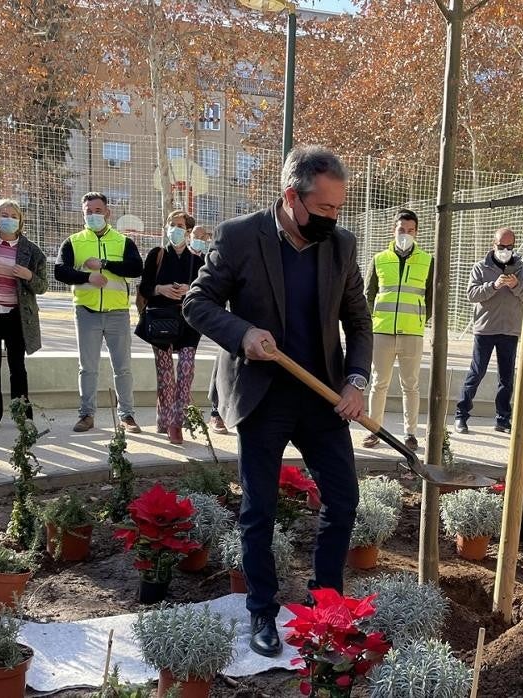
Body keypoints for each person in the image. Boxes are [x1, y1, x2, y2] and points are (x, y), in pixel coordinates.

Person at [184, 145, 372, 659]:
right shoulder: (240, 237)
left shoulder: (341, 245)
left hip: (323, 396)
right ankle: (262, 611)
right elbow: (196, 303)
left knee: (343, 499)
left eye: (339, 209)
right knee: (259, 509)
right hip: (262, 396)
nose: (334, 219)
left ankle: (326, 607)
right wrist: (241, 333)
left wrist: (356, 381)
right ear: (292, 196)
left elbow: (357, 320)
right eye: (325, 208)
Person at [54, 192, 143, 433]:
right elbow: (60, 271)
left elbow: (136, 268)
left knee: (123, 367)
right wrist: (87, 277)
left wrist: (104, 264)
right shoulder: (74, 241)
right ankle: (86, 415)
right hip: (86, 311)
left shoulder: (123, 242)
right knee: (88, 367)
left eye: (97, 211)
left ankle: (127, 415)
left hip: (117, 312)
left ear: (107, 212)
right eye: (88, 212)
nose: (93, 215)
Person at [362, 209, 433, 451]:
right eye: (402, 230)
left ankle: (410, 434)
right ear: (394, 230)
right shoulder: (379, 259)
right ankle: (374, 430)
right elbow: (368, 294)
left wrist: (420, 319)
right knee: (378, 383)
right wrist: (373, 320)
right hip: (382, 331)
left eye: (410, 230)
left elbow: (432, 297)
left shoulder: (427, 260)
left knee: (410, 385)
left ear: (417, 232)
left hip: (412, 332)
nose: (406, 234)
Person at [137, 211, 208, 444]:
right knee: (166, 374)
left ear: (188, 232)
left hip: (187, 322)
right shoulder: (156, 255)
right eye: (172, 224)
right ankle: (165, 419)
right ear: (166, 227)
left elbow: (205, 293)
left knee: (186, 370)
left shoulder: (197, 261)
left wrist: (190, 289)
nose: (176, 229)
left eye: (181, 226)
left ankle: (176, 421)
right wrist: (161, 289)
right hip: (160, 320)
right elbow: (144, 287)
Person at [0, 199, 48, 429]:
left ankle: (23, 416)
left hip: (17, 316)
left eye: (13, 215)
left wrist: (28, 275)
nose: (8, 219)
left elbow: (42, 286)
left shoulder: (32, 251)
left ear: (20, 221)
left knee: (17, 366)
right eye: (3, 215)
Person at [455, 228, 523, 434]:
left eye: (510, 247)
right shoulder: (480, 267)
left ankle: (502, 420)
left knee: (506, 378)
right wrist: (493, 285)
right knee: (476, 373)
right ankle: (461, 415)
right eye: (501, 246)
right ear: (493, 245)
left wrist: (516, 285)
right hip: (485, 329)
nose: (505, 250)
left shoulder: (521, 269)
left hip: (510, 330)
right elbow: (472, 294)